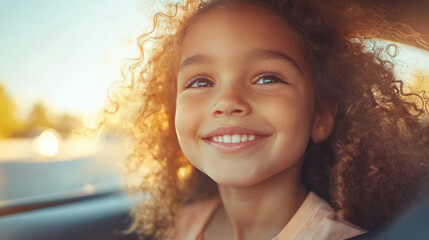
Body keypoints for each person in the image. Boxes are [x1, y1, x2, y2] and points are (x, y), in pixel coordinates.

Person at [109, 0, 429, 239]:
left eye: (267, 78)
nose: (227, 102)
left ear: (319, 115)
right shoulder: (181, 226)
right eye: (201, 82)